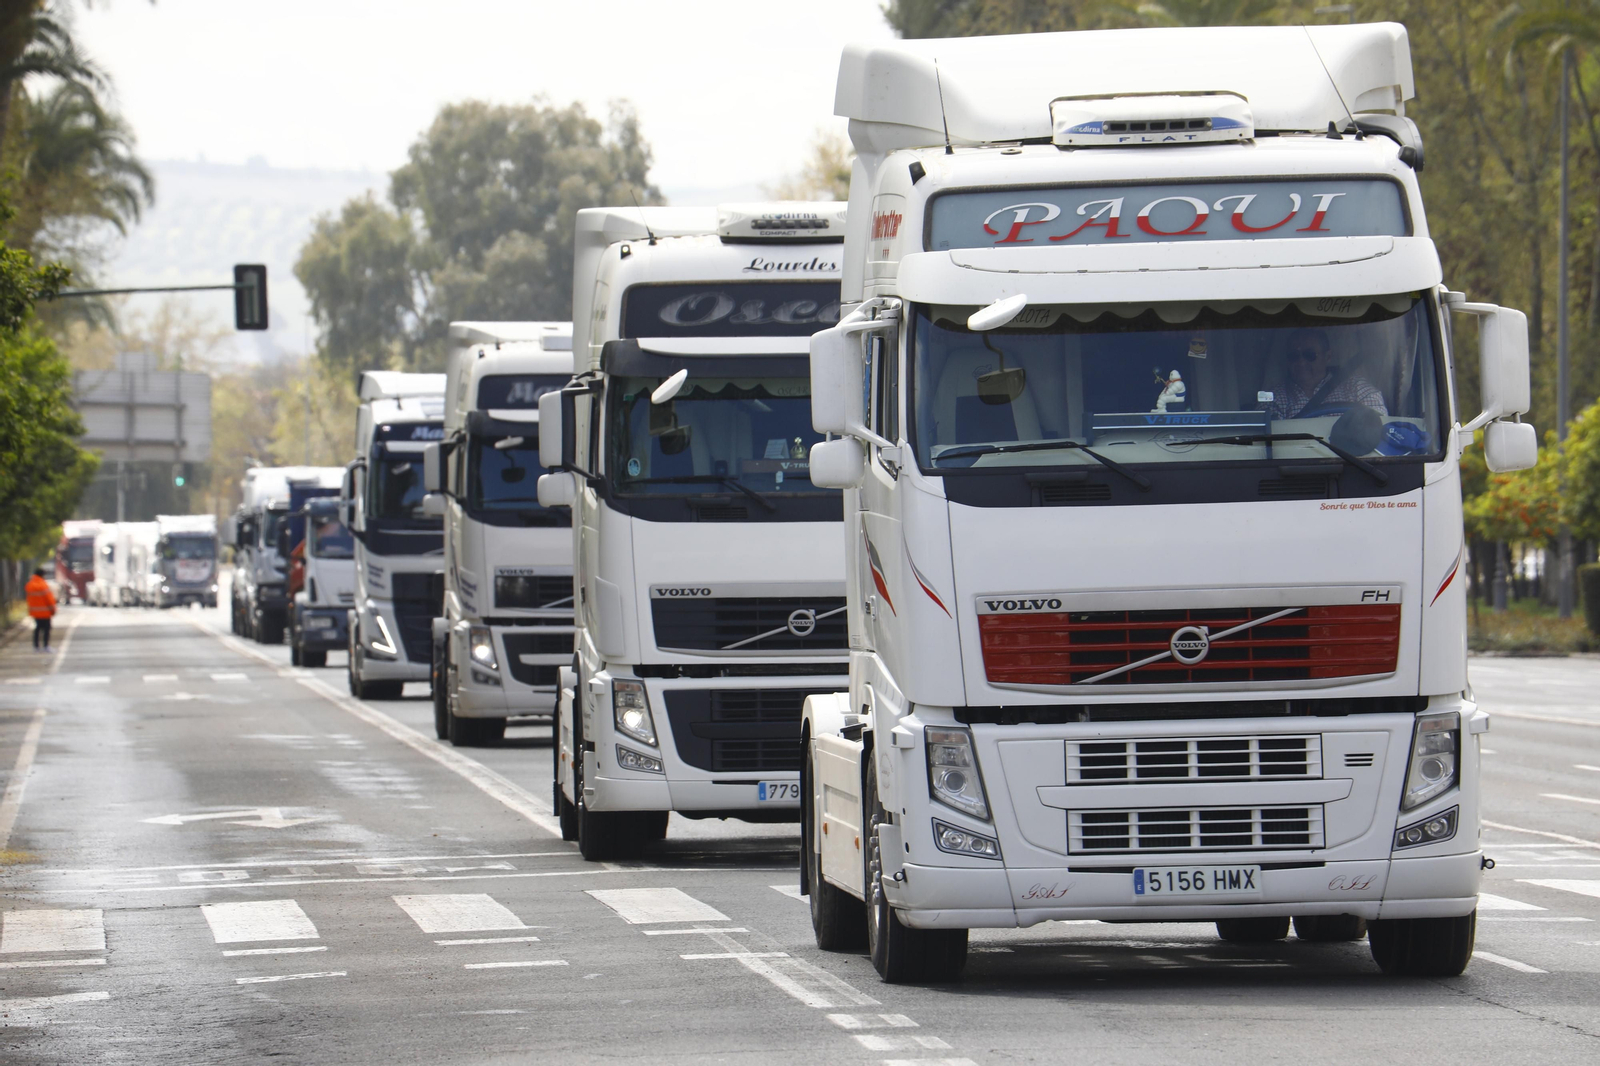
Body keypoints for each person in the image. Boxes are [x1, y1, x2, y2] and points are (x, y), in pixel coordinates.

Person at [1265, 328, 1387, 420]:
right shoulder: (1274, 397)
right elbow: (1266, 443)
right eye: (1294, 356)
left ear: (1327, 357)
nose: (1301, 362)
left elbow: (1379, 429)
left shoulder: (1357, 389)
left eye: (1309, 355)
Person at [25, 567, 56, 652]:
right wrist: (53, 609)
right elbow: (49, 599)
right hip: (45, 612)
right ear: (42, 575)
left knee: (37, 628)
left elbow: (29, 599)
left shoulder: (29, 585)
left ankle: (36, 647)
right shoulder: (43, 585)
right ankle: (46, 646)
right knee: (46, 629)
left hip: (35, 612)